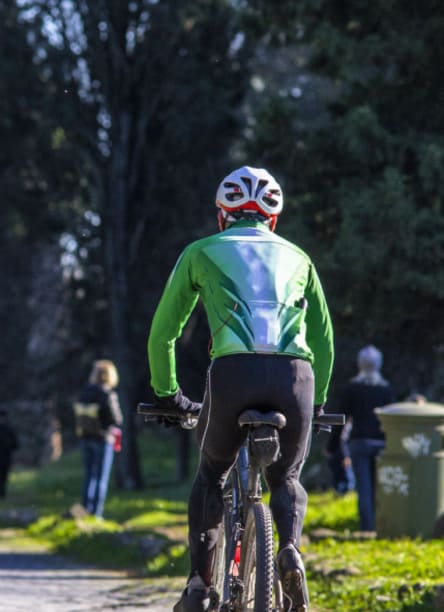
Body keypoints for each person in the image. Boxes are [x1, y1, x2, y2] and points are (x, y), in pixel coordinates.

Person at [147, 166, 334, 612]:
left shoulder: (201, 251)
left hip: (233, 374)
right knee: (286, 477)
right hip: (296, 377)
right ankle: (288, 549)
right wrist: (320, 400)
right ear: (273, 220)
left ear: (221, 216)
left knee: (212, 474)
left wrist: (166, 393)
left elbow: (162, 335)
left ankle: (199, 585)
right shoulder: (299, 257)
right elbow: (324, 341)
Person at [329, 345, 394, 532]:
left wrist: (333, 445)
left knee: (364, 488)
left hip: (359, 443)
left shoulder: (352, 389)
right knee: (379, 487)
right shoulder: (386, 389)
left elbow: (341, 419)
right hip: (382, 443)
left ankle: (367, 528)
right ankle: (381, 525)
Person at [73, 359, 123, 519]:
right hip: (102, 439)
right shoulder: (107, 394)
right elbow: (116, 419)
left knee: (89, 475)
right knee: (101, 478)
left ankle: (84, 509)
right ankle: (96, 514)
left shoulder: (85, 392)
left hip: (85, 437)